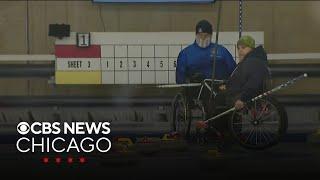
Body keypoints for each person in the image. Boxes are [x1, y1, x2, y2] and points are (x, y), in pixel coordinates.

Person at [176, 19, 236, 84]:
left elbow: (234, 72)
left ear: (211, 35)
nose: (203, 38)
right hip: (193, 92)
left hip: (218, 91)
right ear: (196, 35)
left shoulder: (221, 51)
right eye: (200, 35)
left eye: (206, 35)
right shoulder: (185, 54)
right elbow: (180, 80)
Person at [225, 35, 270, 110]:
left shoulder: (253, 62)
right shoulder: (249, 61)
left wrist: (242, 99)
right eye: (238, 48)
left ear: (252, 49)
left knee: (216, 98)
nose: (240, 51)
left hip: (238, 98)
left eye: (243, 48)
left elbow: (253, 83)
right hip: (235, 94)